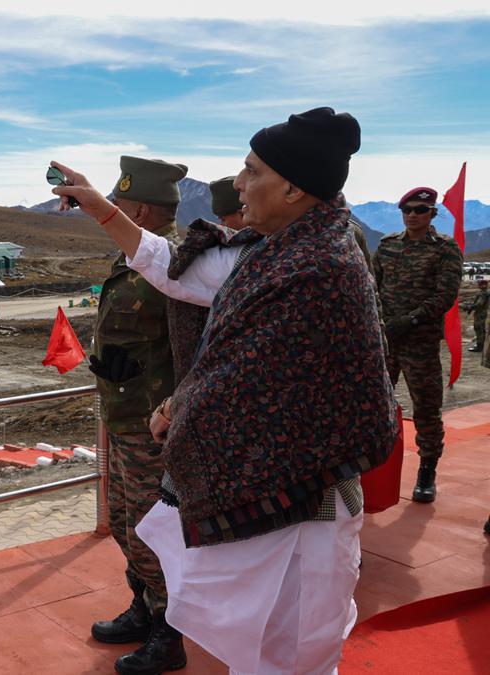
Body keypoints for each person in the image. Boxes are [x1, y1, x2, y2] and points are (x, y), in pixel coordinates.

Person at [52, 107, 397, 675]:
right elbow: (178, 270)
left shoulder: (316, 269)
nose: (238, 183)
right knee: (257, 651)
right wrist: (103, 209)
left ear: (291, 187)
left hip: (302, 506)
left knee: (293, 655)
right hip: (272, 500)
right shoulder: (279, 251)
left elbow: (250, 382)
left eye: (251, 170)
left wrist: (183, 404)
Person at [85, 155, 186, 675]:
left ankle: (172, 632)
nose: (114, 212)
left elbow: (195, 346)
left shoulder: (175, 260)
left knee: (153, 532)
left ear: (141, 210)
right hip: (125, 415)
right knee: (127, 525)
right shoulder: (132, 258)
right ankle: (145, 609)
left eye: (119, 204)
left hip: (154, 426)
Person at [372, 187, 463, 503]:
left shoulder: (444, 250)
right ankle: (370, 468)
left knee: (425, 408)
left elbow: (445, 296)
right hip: (385, 341)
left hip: (419, 344)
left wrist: (409, 320)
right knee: (373, 404)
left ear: (432, 214)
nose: (413, 214)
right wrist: (382, 321)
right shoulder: (387, 247)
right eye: (407, 209)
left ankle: (427, 470)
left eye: (420, 210)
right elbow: (373, 286)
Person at [462, 279, 489, 352]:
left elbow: (479, 304)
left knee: (479, 329)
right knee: (480, 329)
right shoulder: (484, 292)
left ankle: (480, 346)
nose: (480, 285)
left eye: (481, 284)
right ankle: (480, 345)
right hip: (481, 313)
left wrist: (469, 307)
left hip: (480, 313)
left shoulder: (483, 293)